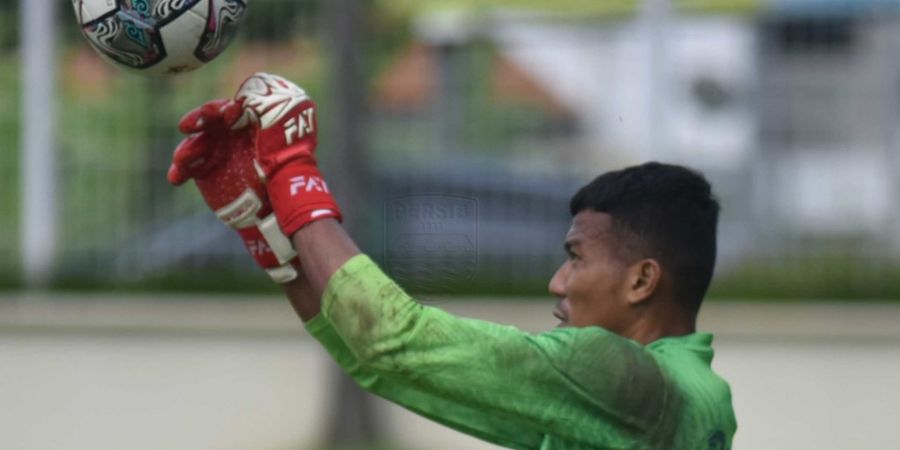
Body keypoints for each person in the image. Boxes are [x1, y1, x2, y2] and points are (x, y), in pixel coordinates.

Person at [168, 73, 736, 450]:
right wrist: (262, 223)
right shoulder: (695, 395)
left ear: (641, 280)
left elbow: (391, 338)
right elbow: (381, 363)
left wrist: (292, 169)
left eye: (574, 258)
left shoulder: (617, 376)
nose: (556, 281)